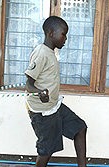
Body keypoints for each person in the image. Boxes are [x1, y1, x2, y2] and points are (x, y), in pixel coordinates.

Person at [24, 16, 87, 167]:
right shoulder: (41, 53)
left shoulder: (50, 52)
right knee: (46, 150)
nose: (65, 38)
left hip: (54, 106)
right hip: (43, 113)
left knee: (80, 128)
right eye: (63, 34)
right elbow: (28, 84)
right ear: (51, 33)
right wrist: (39, 92)